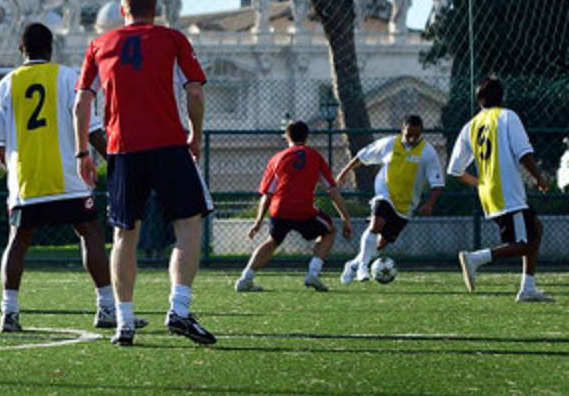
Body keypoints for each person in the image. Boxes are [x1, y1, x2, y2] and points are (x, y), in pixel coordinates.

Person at [73, 0, 214, 346]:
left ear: (122, 11)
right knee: (188, 227)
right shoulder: (172, 38)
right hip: (168, 144)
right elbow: (195, 91)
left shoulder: (98, 45)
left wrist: (82, 153)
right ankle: (179, 310)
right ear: (157, 10)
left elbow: (81, 105)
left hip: (123, 150)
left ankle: (125, 322)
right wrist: (195, 134)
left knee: (124, 236)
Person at [0, 23, 146, 333]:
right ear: (51, 48)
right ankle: (106, 308)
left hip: (26, 181)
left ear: (22, 50)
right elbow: (92, 129)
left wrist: (13, 172)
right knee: (90, 232)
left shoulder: (6, 84)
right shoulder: (68, 77)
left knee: (18, 240)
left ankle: (9, 313)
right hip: (70, 177)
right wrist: (116, 163)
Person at [448, 77, 552, 302]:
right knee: (524, 243)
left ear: (479, 100)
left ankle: (528, 287)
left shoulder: (471, 125)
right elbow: (523, 152)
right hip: (507, 192)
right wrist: (539, 177)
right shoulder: (507, 116)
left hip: (490, 193)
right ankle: (476, 259)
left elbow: (455, 170)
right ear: (502, 97)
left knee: (535, 228)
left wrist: (481, 184)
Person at [236, 121, 352, 292]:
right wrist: (345, 218)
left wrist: (258, 220)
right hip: (304, 210)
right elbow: (332, 190)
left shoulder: (276, 159)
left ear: (287, 136)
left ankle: (245, 279)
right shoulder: (315, 156)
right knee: (330, 230)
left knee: (273, 241)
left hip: (280, 209)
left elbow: (267, 194)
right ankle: (313, 273)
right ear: (306, 137)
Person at [334, 115, 443, 283]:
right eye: (408, 135)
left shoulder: (428, 153)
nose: (412, 138)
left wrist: (429, 204)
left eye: (416, 135)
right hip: (385, 194)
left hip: (406, 206)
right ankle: (363, 268)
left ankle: (353, 265)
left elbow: (437, 183)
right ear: (402, 130)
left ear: (421, 133)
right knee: (376, 224)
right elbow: (363, 156)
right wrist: (344, 172)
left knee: (381, 244)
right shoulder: (389, 144)